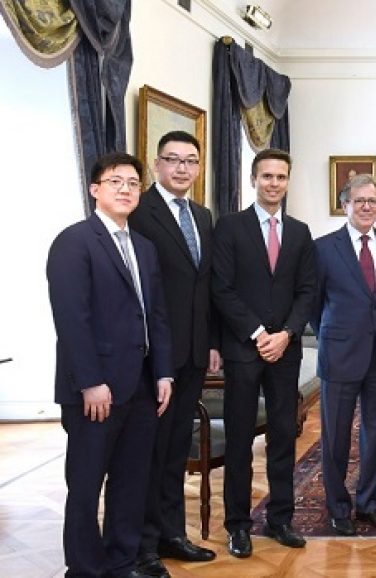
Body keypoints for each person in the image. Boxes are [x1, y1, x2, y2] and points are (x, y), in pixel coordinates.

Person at [47, 152, 173, 578]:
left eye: (133, 183)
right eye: (115, 181)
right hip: (95, 390)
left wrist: (164, 372)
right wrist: (90, 381)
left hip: (141, 386)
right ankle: (84, 569)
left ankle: (122, 562)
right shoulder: (74, 242)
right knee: (85, 485)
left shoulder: (144, 248)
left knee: (131, 482)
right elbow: (72, 319)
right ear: (95, 189)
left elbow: (157, 316)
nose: (125, 189)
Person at [212, 148, 316, 558]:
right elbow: (222, 288)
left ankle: (280, 519)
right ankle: (238, 525)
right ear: (254, 179)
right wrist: (259, 333)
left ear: (288, 181)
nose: (274, 183)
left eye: (281, 177)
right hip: (244, 349)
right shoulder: (230, 227)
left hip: (285, 352)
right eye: (267, 176)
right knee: (239, 440)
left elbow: (307, 291)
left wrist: (287, 334)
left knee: (283, 437)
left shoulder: (300, 232)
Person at [128, 131, 217, 577]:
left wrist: (212, 341)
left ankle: (172, 534)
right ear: (156, 164)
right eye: (173, 159)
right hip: (154, 357)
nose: (183, 168)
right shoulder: (138, 212)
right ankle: (142, 547)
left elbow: (205, 286)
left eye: (190, 160)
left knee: (176, 450)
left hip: (194, 354)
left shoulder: (202, 215)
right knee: (148, 451)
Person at [312, 174, 376, 536]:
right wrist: (334, 334)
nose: (367, 207)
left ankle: (369, 504)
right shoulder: (323, 248)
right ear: (345, 205)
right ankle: (338, 508)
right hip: (339, 354)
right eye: (359, 200)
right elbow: (313, 304)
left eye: (372, 201)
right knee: (335, 437)